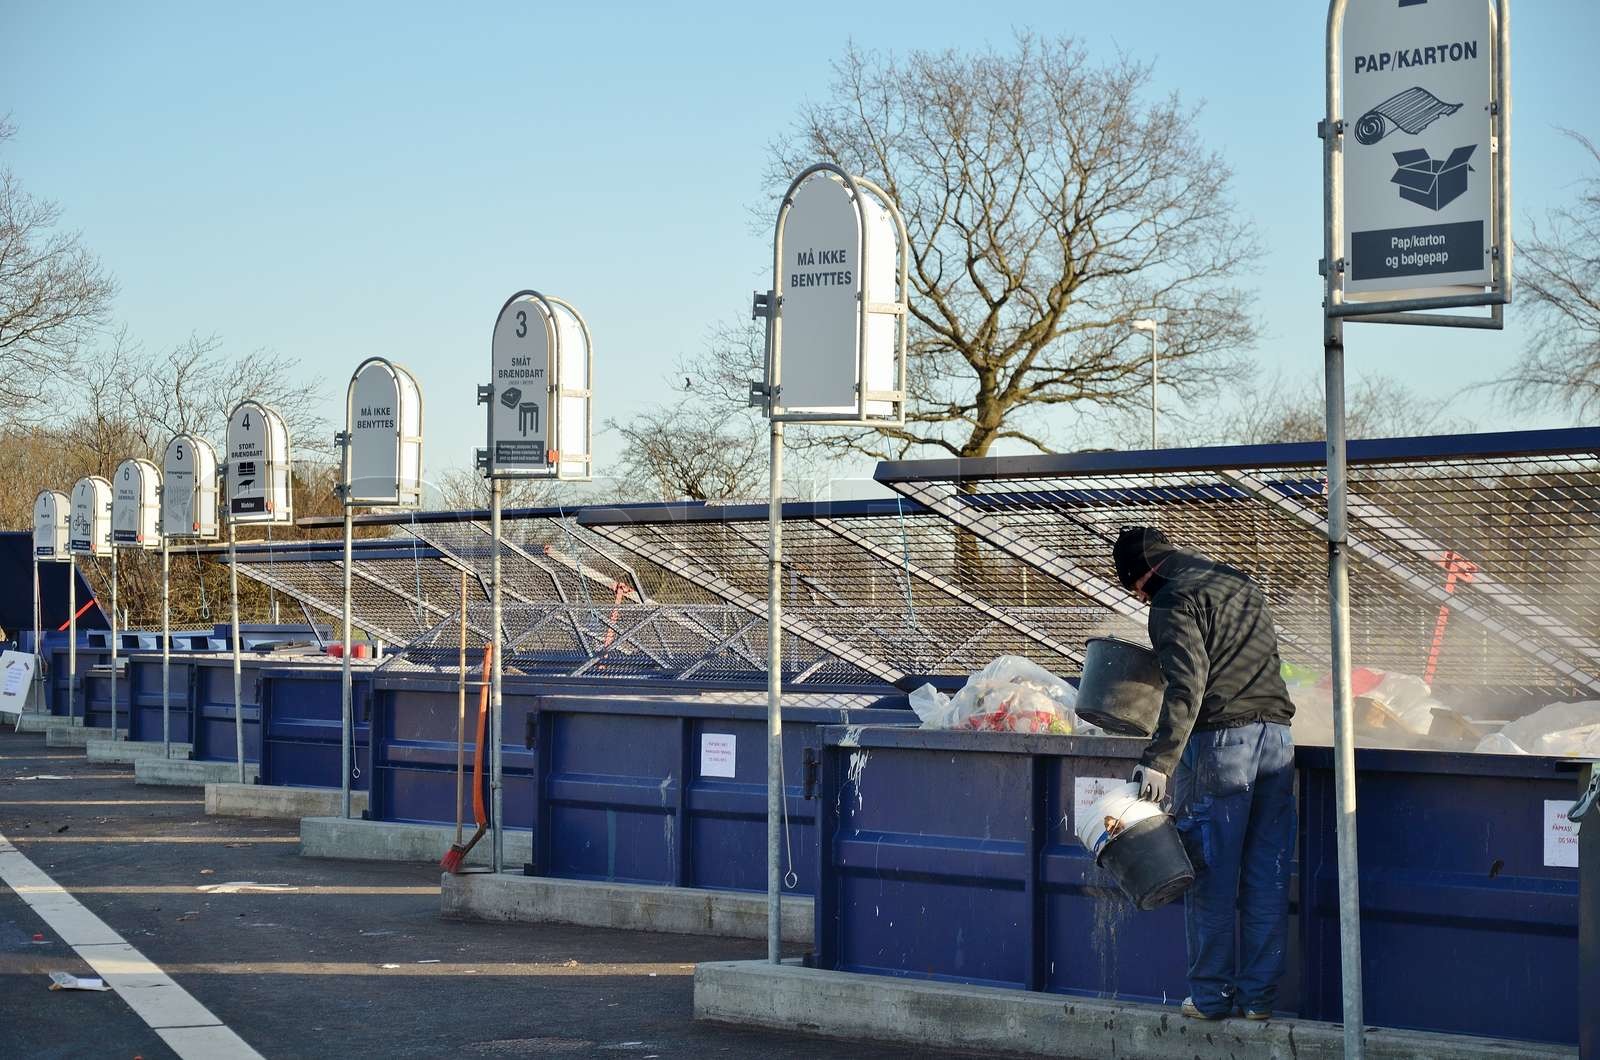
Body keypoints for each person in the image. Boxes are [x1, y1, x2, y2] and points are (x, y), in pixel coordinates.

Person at [1112, 526, 1296, 1022]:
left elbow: (1185, 686)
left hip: (1222, 747)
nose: (1137, 596)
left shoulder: (1173, 601)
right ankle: (1258, 999)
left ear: (1143, 576)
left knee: (1211, 876)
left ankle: (1211, 998)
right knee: (1266, 876)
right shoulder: (1238, 581)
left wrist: (1160, 760)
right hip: (1278, 740)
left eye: (1134, 587)